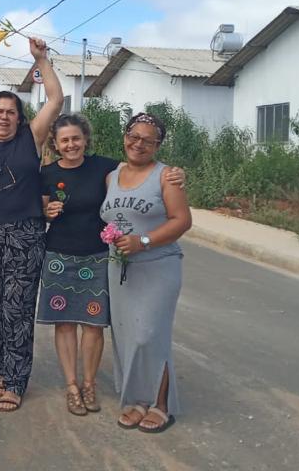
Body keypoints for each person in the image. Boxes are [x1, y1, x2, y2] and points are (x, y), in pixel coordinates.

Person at [38, 114, 185, 417]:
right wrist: (46, 212)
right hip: (61, 257)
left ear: (86, 139)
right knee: (75, 325)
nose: (71, 144)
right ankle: (74, 387)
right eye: (64, 140)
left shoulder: (105, 168)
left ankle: (94, 385)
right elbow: (39, 209)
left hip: (99, 257)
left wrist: (178, 174)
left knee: (99, 326)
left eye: (76, 138)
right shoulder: (49, 173)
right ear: (55, 143)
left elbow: (156, 186)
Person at [0, 37, 63, 412]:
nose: (4, 117)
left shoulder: (31, 138)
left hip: (25, 234)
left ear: (19, 118)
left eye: (11, 111)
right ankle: (2, 369)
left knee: (17, 308)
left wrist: (41, 59)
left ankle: (17, 379)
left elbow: (54, 100)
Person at [101, 112, 192, 434]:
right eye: (133, 136)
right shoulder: (112, 176)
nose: (138, 144)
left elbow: (181, 221)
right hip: (121, 269)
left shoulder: (166, 176)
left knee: (150, 335)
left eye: (147, 140)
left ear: (158, 145)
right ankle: (138, 400)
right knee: (128, 336)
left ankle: (161, 405)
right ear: (125, 136)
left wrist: (144, 241)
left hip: (158, 266)